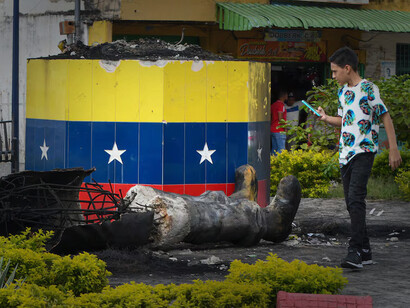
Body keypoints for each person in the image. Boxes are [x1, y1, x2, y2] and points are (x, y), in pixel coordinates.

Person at [315, 46, 402, 269]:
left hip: (364, 151)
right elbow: (345, 120)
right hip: (345, 154)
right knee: (351, 204)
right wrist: (326, 118)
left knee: (355, 200)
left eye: (335, 72)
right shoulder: (343, 92)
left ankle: (354, 251)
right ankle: (365, 250)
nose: (333, 76)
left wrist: (393, 149)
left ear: (347, 68)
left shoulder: (368, 89)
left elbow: (386, 117)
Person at [271, 90, 288, 155]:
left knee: (274, 149)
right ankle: (281, 164)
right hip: (279, 130)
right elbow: (281, 118)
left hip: (273, 129)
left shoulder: (273, 105)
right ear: (284, 96)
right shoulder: (281, 105)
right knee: (281, 149)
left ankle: (273, 163)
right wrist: (285, 128)